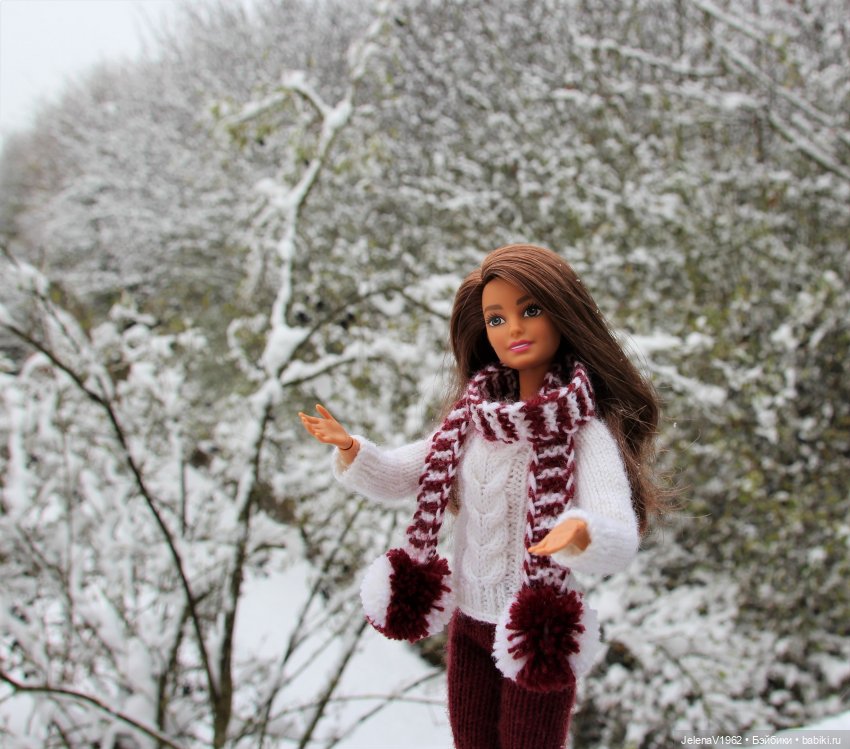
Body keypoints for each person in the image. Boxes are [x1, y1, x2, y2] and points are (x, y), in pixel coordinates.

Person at [299, 244, 661, 749]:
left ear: (564, 314)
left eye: (530, 310)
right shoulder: (470, 423)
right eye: (496, 318)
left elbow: (617, 529)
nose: (513, 329)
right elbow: (402, 473)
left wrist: (584, 533)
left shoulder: (583, 432)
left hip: (534, 635)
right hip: (467, 622)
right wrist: (351, 448)